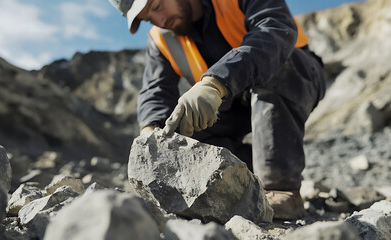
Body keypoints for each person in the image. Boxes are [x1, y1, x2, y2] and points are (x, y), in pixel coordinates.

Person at [108, 0, 325, 220]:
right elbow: (156, 90)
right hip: (233, 105)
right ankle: (243, 182)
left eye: (156, 7)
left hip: (293, 74)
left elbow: (274, 31)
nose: (160, 21)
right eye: (148, 19)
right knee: (180, 129)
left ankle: (281, 189)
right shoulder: (161, 38)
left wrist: (216, 82)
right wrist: (151, 133)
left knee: (277, 66)